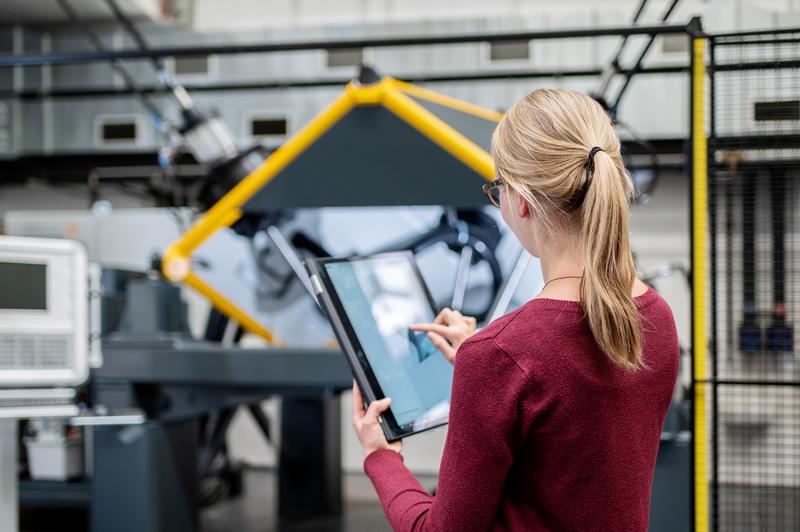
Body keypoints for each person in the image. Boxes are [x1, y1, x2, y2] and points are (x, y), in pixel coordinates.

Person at [351, 88, 680, 531]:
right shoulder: (656, 315)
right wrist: (486, 356)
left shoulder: (501, 358)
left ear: (519, 201)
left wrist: (380, 457)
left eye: (497, 189)